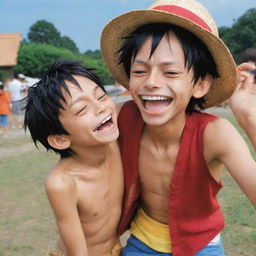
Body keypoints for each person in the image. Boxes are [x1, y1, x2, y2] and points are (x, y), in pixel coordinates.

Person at [100, 0, 256, 255]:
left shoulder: (215, 134)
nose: (151, 82)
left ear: (201, 85)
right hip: (142, 242)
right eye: (139, 70)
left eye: (170, 72)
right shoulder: (122, 117)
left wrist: (250, 117)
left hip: (201, 245)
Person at [24, 60, 123, 256]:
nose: (101, 108)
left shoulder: (113, 142)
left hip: (117, 249)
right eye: (81, 109)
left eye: (101, 96)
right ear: (60, 139)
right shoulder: (62, 183)